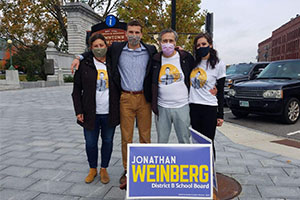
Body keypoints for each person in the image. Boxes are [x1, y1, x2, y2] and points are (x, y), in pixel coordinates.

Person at [71, 20, 157, 184]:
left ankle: (145, 169)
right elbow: (96, 50)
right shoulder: (117, 49)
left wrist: (178, 50)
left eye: (137, 32)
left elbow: (163, 59)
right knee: (126, 137)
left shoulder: (150, 50)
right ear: (126, 33)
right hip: (125, 98)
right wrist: (79, 57)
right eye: (130, 32)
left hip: (143, 99)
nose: (133, 36)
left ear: (141, 34)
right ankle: (127, 169)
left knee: (145, 136)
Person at [71, 33, 119, 184]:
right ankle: (93, 168)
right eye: (95, 46)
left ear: (106, 46)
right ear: (90, 48)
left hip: (109, 112)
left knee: (108, 141)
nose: (99, 49)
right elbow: (76, 90)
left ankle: (104, 168)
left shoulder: (112, 61)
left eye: (101, 45)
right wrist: (79, 111)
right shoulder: (85, 64)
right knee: (91, 143)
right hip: (90, 112)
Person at [152, 28, 194, 144]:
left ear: (175, 42)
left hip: (182, 106)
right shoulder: (155, 60)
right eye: (165, 41)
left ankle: (186, 161)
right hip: (162, 107)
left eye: (171, 40)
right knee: (162, 141)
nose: (168, 44)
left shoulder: (185, 58)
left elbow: (196, 73)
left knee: (184, 139)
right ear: (160, 42)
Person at [189, 32, 226, 157]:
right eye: (198, 45)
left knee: (208, 142)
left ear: (210, 45)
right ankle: (198, 170)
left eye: (204, 44)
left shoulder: (219, 64)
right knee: (197, 142)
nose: (201, 47)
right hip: (193, 106)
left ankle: (210, 171)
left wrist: (220, 115)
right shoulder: (193, 63)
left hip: (209, 107)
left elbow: (220, 92)